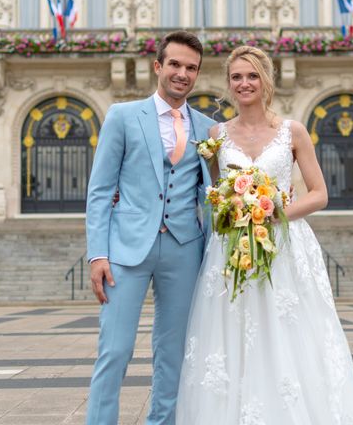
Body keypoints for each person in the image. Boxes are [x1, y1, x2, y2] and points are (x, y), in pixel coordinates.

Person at [176, 46, 353, 424]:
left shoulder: (292, 131)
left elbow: (319, 194)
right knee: (234, 333)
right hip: (233, 250)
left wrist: (271, 214)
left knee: (290, 335)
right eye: (236, 77)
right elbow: (216, 195)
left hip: (284, 245)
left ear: (266, 80)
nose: (244, 83)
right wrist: (235, 212)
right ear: (229, 84)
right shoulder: (217, 135)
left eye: (252, 75)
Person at [85, 31, 215, 425]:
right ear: (158, 66)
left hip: (184, 249)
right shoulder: (123, 116)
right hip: (125, 250)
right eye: (175, 64)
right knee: (115, 349)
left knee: (173, 352)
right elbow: (100, 190)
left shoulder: (210, 128)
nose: (182, 74)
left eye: (191, 68)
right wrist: (98, 253)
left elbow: (214, 192)